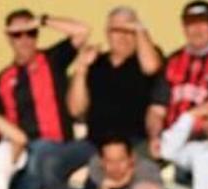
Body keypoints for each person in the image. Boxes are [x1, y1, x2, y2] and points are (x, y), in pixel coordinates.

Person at [0, 9, 94, 189]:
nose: (25, 40)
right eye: (18, 35)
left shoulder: (51, 59)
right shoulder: (3, 78)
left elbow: (83, 31)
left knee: (45, 154)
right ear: (9, 38)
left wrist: (45, 20)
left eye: (31, 33)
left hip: (64, 145)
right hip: (26, 149)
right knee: (31, 160)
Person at [146, 0, 208, 159]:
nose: (197, 29)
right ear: (183, 27)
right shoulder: (173, 60)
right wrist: (155, 137)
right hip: (172, 145)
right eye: (191, 24)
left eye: (203, 23)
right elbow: (156, 109)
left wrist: (186, 120)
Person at [67, 6, 162, 148]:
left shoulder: (144, 59)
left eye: (129, 31)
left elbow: (151, 67)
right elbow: (76, 110)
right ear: (107, 33)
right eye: (117, 31)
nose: (123, 37)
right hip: (94, 143)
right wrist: (81, 69)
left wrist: (139, 28)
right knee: (51, 159)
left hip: (134, 144)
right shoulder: (95, 63)